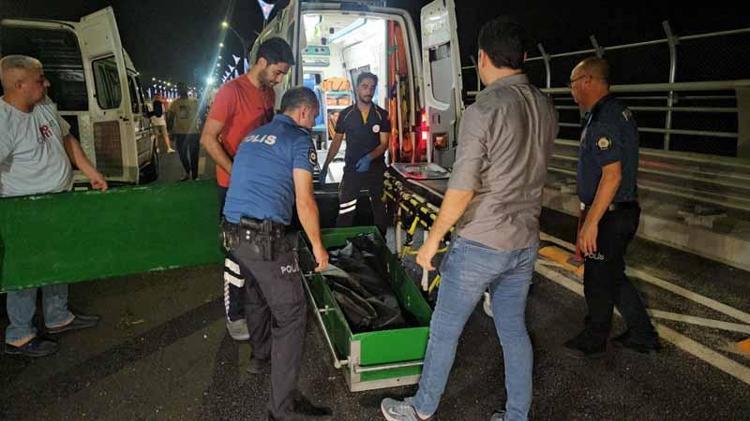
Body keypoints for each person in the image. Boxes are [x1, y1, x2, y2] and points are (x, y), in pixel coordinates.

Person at [380, 17, 558, 421]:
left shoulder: (485, 109)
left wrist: (431, 242)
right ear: (524, 57)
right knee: (513, 331)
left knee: (445, 329)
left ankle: (422, 409)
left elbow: (462, 188)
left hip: (481, 241)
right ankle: (516, 416)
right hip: (524, 240)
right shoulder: (545, 106)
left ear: (481, 58)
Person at [221, 86, 331, 420]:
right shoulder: (299, 140)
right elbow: (305, 200)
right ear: (303, 112)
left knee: (256, 294)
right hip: (263, 239)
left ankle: (261, 357)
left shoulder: (254, 136)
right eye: (313, 116)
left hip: (232, 235)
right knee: (292, 314)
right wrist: (318, 247)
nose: (313, 123)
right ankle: (282, 409)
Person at [0, 55, 108, 357]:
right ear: (19, 85)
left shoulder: (44, 104)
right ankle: (19, 334)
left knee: (60, 260)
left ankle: (57, 315)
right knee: (27, 270)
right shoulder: (4, 121)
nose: (46, 83)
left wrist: (90, 171)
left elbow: (66, 138)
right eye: (40, 79)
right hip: (26, 209)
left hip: (58, 201)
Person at [563, 57, 660, 357]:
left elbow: (612, 175)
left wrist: (591, 223)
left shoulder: (603, 119)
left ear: (588, 81)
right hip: (620, 210)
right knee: (613, 274)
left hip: (610, 214)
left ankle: (594, 339)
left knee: (597, 278)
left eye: (573, 83)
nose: (571, 90)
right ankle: (643, 334)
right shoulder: (617, 111)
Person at [201, 37, 294, 341]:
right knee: (237, 252)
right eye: (277, 72)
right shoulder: (232, 92)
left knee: (262, 246)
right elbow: (208, 138)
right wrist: (236, 172)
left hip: (262, 186)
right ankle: (235, 314)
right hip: (234, 186)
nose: (278, 80)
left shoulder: (269, 93)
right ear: (262, 62)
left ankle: (258, 303)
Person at [319, 72, 390, 236]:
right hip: (352, 169)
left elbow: (384, 143)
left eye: (372, 87)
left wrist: (369, 158)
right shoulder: (346, 115)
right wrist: (325, 166)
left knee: (379, 208)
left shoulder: (382, 115)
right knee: (346, 208)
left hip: (376, 169)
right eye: (365, 86)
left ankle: (381, 243)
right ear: (357, 88)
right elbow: (336, 142)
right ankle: (341, 243)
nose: (368, 91)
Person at [169, 83, 201, 180]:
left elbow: (202, 115)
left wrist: (203, 128)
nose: (181, 90)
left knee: (194, 155)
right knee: (182, 155)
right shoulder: (175, 103)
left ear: (186, 89)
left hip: (193, 132)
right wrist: (170, 131)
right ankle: (188, 171)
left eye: (182, 88)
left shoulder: (194, 102)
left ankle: (195, 176)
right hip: (180, 133)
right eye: (179, 88)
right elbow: (171, 118)